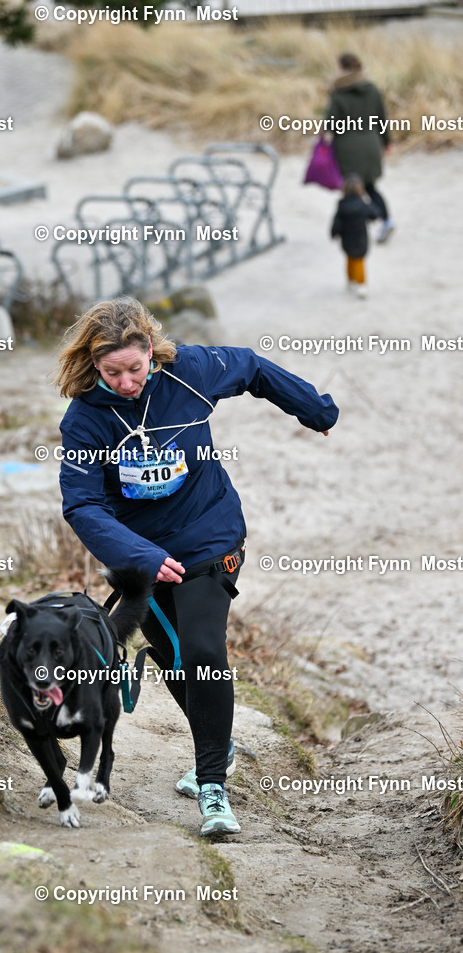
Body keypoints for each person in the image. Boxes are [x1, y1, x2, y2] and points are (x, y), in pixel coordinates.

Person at [55, 297, 339, 836]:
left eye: (134, 368)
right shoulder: (86, 421)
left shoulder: (187, 372)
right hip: (141, 553)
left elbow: (253, 367)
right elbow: (83, 506)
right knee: (175, 658)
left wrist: (314, 409)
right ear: (94, 365)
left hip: (210, 535)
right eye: (111, 372)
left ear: (151, 353)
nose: (126, 382)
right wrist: (140, 556)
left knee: (205, 649)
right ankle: (222, 744)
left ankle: (212, 786)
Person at [324, 52, 394, 243]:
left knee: (351, 188)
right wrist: (387, 142)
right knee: (370, 187)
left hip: (347, 146)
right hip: (371, 142)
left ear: (341, 68)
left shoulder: (338, 92)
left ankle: (352, 227)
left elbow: (331, 123)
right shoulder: (372, 89)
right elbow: (382, 118)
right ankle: (386, 220)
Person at [331, 173, 380, 298]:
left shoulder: (341, 205)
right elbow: (375, 213)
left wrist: (333, 232)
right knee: (359, 261)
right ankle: (361, 284)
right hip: (360, 239)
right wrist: (368, 202)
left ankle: (351, 280)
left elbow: (336, 221)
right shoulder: (363, 205)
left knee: (350, 259)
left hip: (346, 239)